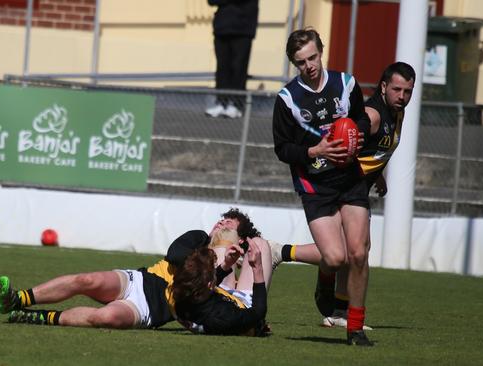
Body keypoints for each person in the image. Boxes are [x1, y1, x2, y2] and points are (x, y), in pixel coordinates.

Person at [271, 61, 416, 331]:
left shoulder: (397, 113)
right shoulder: (372, 116)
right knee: (347, 253)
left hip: (360, 185)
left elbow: (373, 150)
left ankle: (337, 307)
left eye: (408, 91)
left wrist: (379, 175)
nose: (402, 96)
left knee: (357, 251)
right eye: (397, 89)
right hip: (343, 186)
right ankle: (288, 258)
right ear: (383, 87)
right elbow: (346, 144)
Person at [272, 28, 373, 346]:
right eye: (301, 62)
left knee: (358, 253)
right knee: (335, 256)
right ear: (294, 63)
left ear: (321, 52)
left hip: (350, 180)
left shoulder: (346, 84)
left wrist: (357, 138)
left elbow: (361, 122)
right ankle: (325, 280)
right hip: (315, 184)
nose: (309, 66)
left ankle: (354, 327)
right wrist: (315, 151)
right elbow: (283, 149)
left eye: (313, 57)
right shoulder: (288, 99)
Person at [0, 208, 261, 329]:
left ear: (238, 239)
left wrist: (223, 268)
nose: (221, 224)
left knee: (106, 318)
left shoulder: (228, 270)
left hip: (151, 310)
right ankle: (18, 299)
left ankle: (40, 317)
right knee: (86, 279)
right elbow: (174, 254)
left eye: (228, 225)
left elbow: (216, 307)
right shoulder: (197, 238)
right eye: (221, 220)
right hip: (139, 281)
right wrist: (208, 265)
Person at [173, 234, 273, 336]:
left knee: (223, 242)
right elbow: (258, 313)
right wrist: (257, 268)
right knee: (259, 244)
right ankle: (277, 253)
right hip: (245, 307)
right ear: (210, 284)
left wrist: (226, 264)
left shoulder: (182, 298)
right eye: (214, 270)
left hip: (220, 298)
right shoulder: (224, 316)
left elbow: (201, 285)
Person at [205, 0, 259, 119]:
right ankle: (221, 102)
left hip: (243, 28)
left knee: (238, 66)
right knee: (222, 67)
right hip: (222, 27)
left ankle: (236, 104)